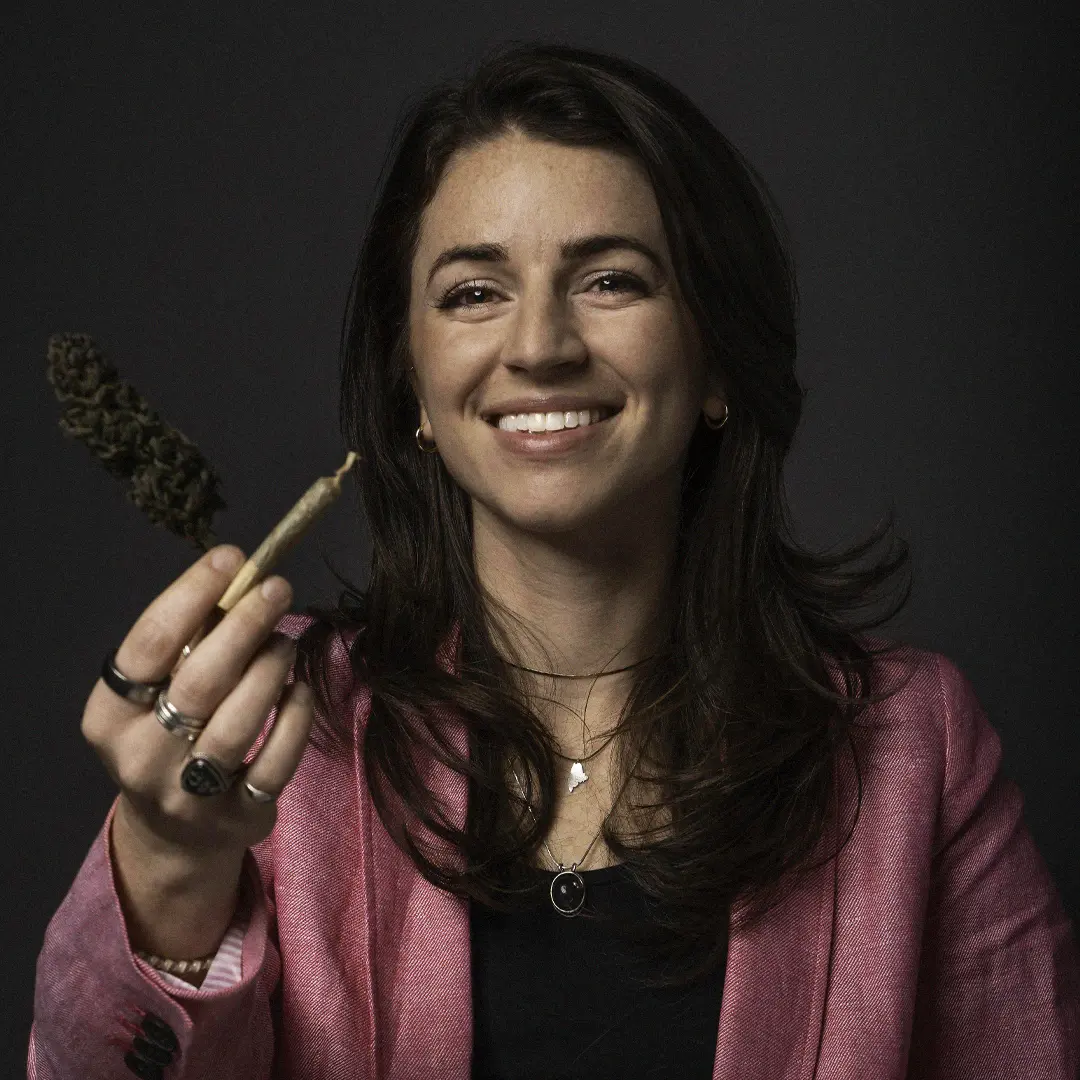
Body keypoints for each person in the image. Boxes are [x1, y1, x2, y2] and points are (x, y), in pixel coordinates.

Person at [30, 42, 1079, 1080]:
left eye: (611, 280)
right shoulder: (259, 730)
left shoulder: (914, 746)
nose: (539, 344)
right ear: (416, 393)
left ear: (716, 360)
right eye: (474, 293)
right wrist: (171, 870)